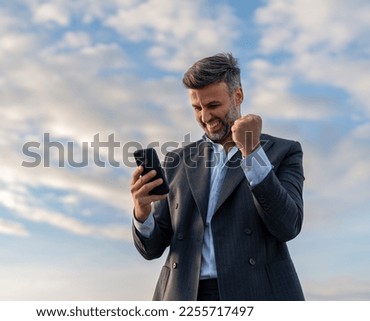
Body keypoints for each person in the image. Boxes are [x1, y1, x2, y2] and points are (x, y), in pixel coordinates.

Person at [130, 52, 305, 301]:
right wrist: (142, 213)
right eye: (196, 108)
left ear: (238, 96)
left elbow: (288, 225)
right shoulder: (176, 161)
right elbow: (152, 248)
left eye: (213, 106)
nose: (204, 117)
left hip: (256, 294)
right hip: (183, 296)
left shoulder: (283, 152)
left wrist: (252, 152)